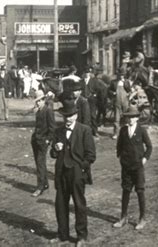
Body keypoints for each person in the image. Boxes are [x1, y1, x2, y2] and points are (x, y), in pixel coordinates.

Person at [50, 98, 96, 246]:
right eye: (65, 116)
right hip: (62, 172)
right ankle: (62, 235)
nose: (68, 119)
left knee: (79, 204)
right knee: (60, 205)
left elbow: (91, 155)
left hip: (77, 173)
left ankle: (81, 237)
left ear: (76, 115)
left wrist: (81, 168)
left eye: (70, 116)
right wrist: (55, 150)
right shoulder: (58, 131)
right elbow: (52, 153)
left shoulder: (84, 130)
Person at [113, 104, 153, 230]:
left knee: (140, 191)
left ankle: (142, 218)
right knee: (126, 191)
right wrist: (120, 158)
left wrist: (144, 159)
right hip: (126, 166)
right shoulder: (123, 130)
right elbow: (119, 147)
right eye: (128, 117)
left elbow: (149, 147)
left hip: (138, 167)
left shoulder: (141, 130)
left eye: (132, 117)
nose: (129, 119)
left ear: (137, 118)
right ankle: (123, 217)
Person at [31, 90, 56, 197]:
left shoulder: (48, 111)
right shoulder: (39, 110)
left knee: (40, 163)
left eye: (39, 101)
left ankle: (40, 187)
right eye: (36, 101)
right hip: (36, 139)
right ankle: (45, 184)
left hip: (43, 141)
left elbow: (52, 128)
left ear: (43, 100)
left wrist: (48, 140)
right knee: (38, 162)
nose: (37, 103)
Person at [108, 67, 131, 140]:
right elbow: (109, 90)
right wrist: (113, 93)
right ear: (118, 75)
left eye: (123, 75)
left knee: (126, 117)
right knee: (116, 118)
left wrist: (128, 94)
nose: (121, 76)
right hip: (117, 102)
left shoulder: (126, 82)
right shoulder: (113, 82)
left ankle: (126, 133)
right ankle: (116, 133)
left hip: (125, 102)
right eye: (120, 75)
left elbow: (129, 90)